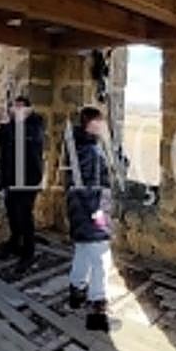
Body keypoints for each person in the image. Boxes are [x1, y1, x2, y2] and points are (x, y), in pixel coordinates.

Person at [0, 94, 46, 268]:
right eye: (14, 106)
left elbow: (26, 138)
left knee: (25, 216)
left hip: (28, 180)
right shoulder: (11, 125)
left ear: (28, 109)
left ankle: (29, 252)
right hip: (10, 179)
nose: (15, 110)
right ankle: (15, 242)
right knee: (12, 213)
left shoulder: (35, 124)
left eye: (20, 107)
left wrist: (7, 121)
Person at [65, 106, 114, 331]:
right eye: (100, 122)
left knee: (84, 251)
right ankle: (96, 310)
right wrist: (97, 212)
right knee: (102, 259)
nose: (104, 125)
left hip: (79, 209)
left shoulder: (80, 145)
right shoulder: (89, 150)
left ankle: (76, 293)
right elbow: (87, 184)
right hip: (92, 208)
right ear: (91, 124)